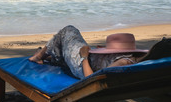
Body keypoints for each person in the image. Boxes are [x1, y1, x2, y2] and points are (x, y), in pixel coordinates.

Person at [29, 25, 171, 79]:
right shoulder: (142, 61)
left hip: (82, 64)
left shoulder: (124, 63)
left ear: (155, 49)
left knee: (68, 31)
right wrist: (105, 52)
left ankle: (39, 55)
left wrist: (84, 57)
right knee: (66, 46)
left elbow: (90, 79)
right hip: (91, 59)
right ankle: (48, 55)